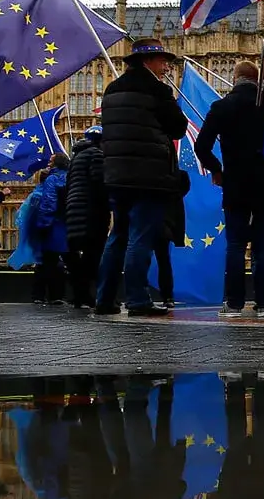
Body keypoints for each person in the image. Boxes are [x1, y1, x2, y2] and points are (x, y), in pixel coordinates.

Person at [98, 37, 187, 317]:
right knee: (141, 237)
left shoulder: (111, 90)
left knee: (117, 236)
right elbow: (179, 128)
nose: (166, 67)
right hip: (148, 177)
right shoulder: (157, 90)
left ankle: (104, 298)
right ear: (147, 61)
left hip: (116, 176)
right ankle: (137, 299)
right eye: (163, 61)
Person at [195, 60, 264, 317]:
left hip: (235, 183)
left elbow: (201, 146)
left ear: (235, 79)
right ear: (257, 80)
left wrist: (217, 169)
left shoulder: (222, 106)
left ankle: (233, 304)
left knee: (235, 245)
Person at [64, 126, 108, 308]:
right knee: (93, 255)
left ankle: (80, 296)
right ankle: (91, 296)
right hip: (90, 211)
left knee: (79, 258)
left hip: (73, 212)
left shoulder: (75, 158)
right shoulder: (96, 155)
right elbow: (99, 183)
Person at [25, 154, 71, 305]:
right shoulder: (72, 178)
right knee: (68, 262)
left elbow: (49, 204)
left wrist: (43, 225)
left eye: (50, 161)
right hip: (69, 225)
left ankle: (39, 295)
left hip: (53, 226)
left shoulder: (53, 179)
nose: (48, 164)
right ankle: (60, 295)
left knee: (45, 262)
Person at [150, 167, 188, 309]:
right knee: (163, 259)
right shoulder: (178, 176)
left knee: (141, 254)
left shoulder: (149, 173)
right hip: (166, 221)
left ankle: (137, 295)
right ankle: (167, 296)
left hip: (146, 217)